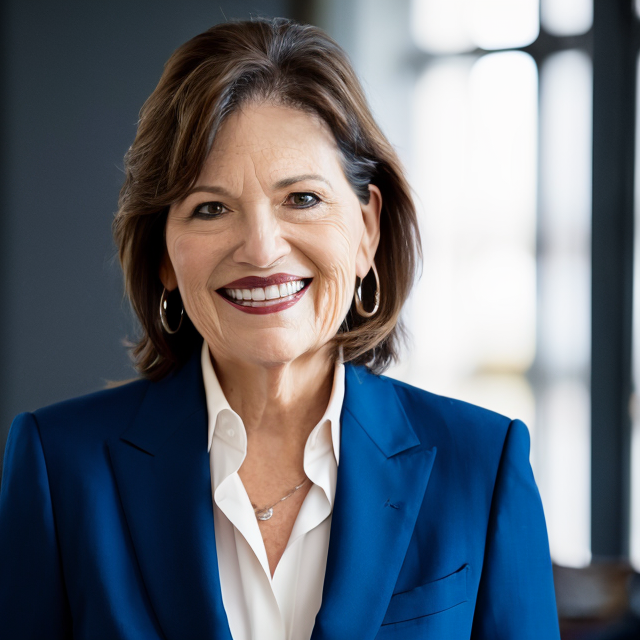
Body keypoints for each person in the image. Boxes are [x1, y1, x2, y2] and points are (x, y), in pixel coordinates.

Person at [0, 18, 560, 640]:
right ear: (163, 254)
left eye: (302, 199)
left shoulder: (480, 464)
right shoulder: (60, 467)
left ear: (367, 229)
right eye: (210, 208)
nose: (262, 251)